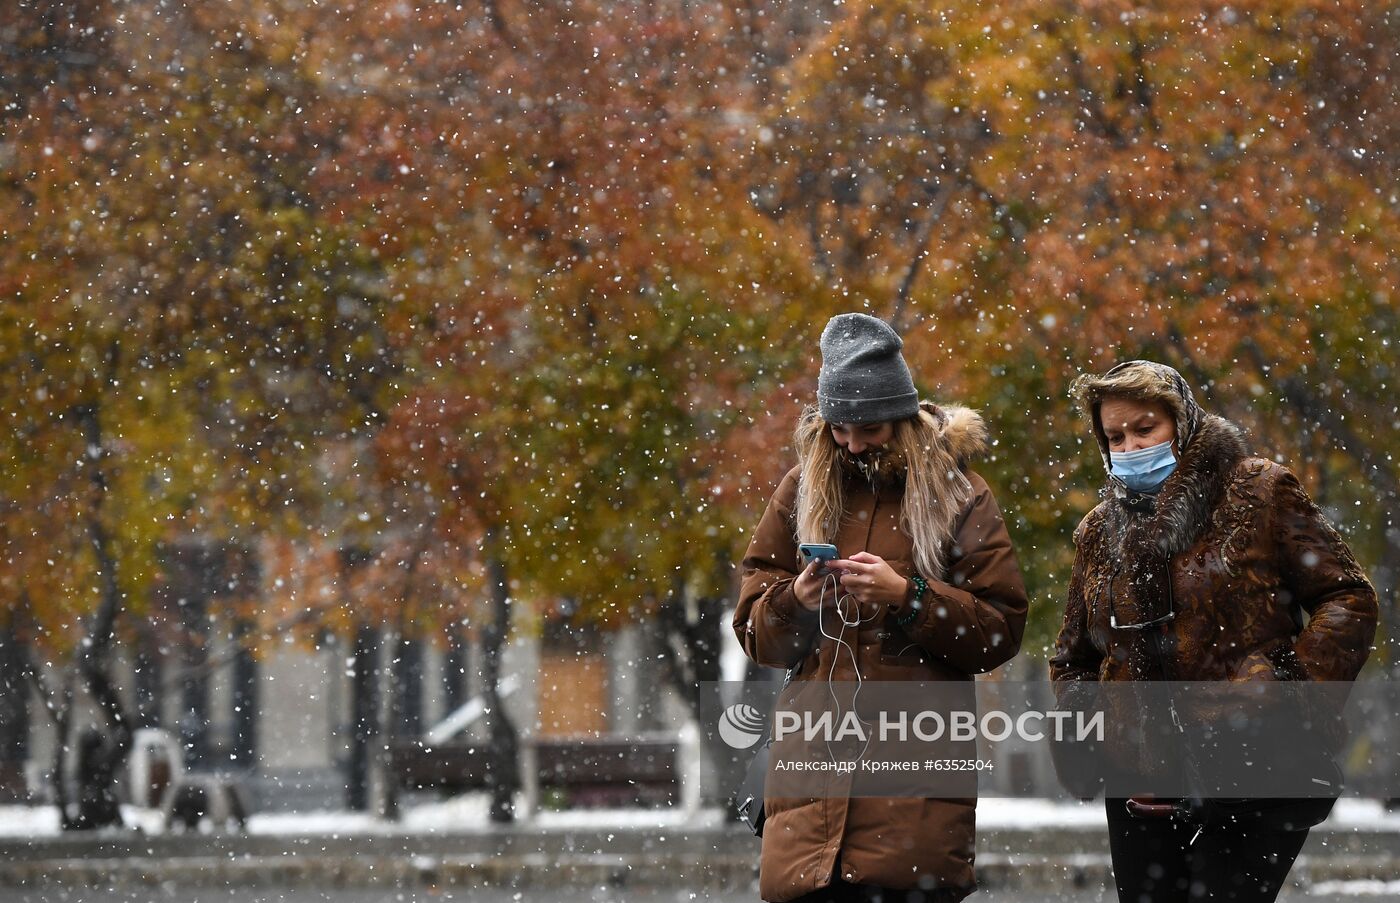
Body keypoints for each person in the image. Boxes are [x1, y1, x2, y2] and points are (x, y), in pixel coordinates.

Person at [1050, 360, 1378, 903]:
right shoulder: (1097, 531)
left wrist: (1281, 684)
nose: (1129, 446)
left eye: (1144, 428)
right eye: (1114, 436)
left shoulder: (1259, 491)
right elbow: (1072, 657)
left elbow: (1347, 597)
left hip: (1253, 764)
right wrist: (1107, 728)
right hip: (1142, 788)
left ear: (1181, 422)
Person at [734, 313, 1028, 903]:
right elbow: (755, 631)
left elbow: (999, 631)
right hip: (808, 789)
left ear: (902, 415)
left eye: (868, 428)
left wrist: (908, 597)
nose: (851, 443)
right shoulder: (802, 488)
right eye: (838, 428)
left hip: (911, 790)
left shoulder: (959, 493)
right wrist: (797, 600)